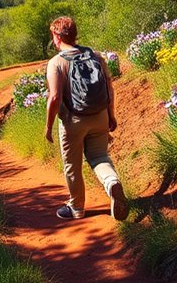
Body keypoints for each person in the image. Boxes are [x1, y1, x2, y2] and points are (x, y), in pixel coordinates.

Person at [44, 16, 128, 221]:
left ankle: (76, 208)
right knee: (99, 157)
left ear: (56, 36)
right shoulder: (95, 56)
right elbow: (109, 87)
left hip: (73, 121)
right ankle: (112, 183)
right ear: (74, 34)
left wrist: (48, 126)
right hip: (99, 117)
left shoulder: (56, 63)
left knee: (72, 165)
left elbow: (54, 97)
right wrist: (111, 115)